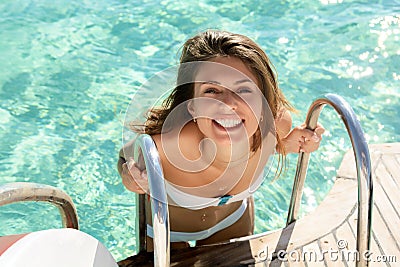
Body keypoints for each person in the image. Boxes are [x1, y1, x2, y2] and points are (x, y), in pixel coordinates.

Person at [117, 30, 324, 250]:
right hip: (169, 233)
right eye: (212, 90)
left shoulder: (274, 127)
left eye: (244, 89)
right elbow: (124, 157)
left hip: (233, 222)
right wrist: (129, 176)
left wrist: (290, 144)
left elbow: (263, 147)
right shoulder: (167, 146)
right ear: (192, 106)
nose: (228, 103)